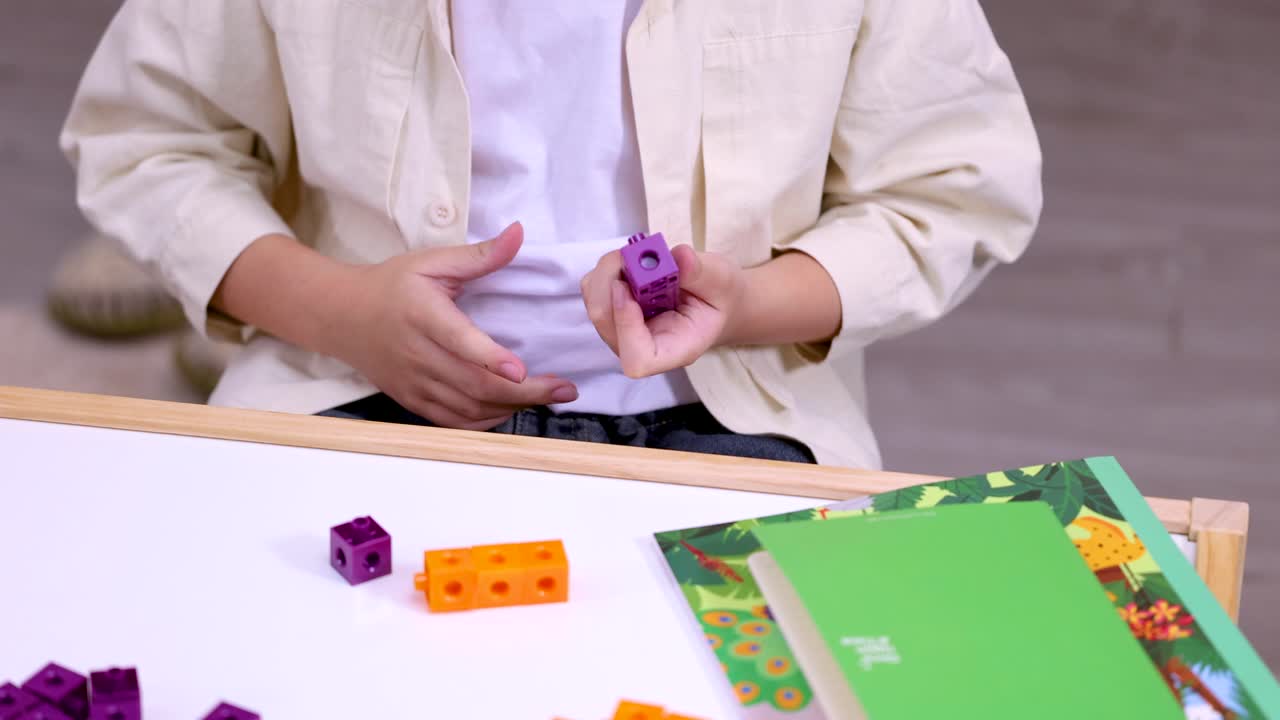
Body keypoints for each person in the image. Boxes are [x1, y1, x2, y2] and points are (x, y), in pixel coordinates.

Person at [60, 1, 1042, 468]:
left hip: (739, 417)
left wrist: (750, 302)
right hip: (351, 388)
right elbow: (151, 137)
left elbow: (953, 187)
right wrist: (342, 311)